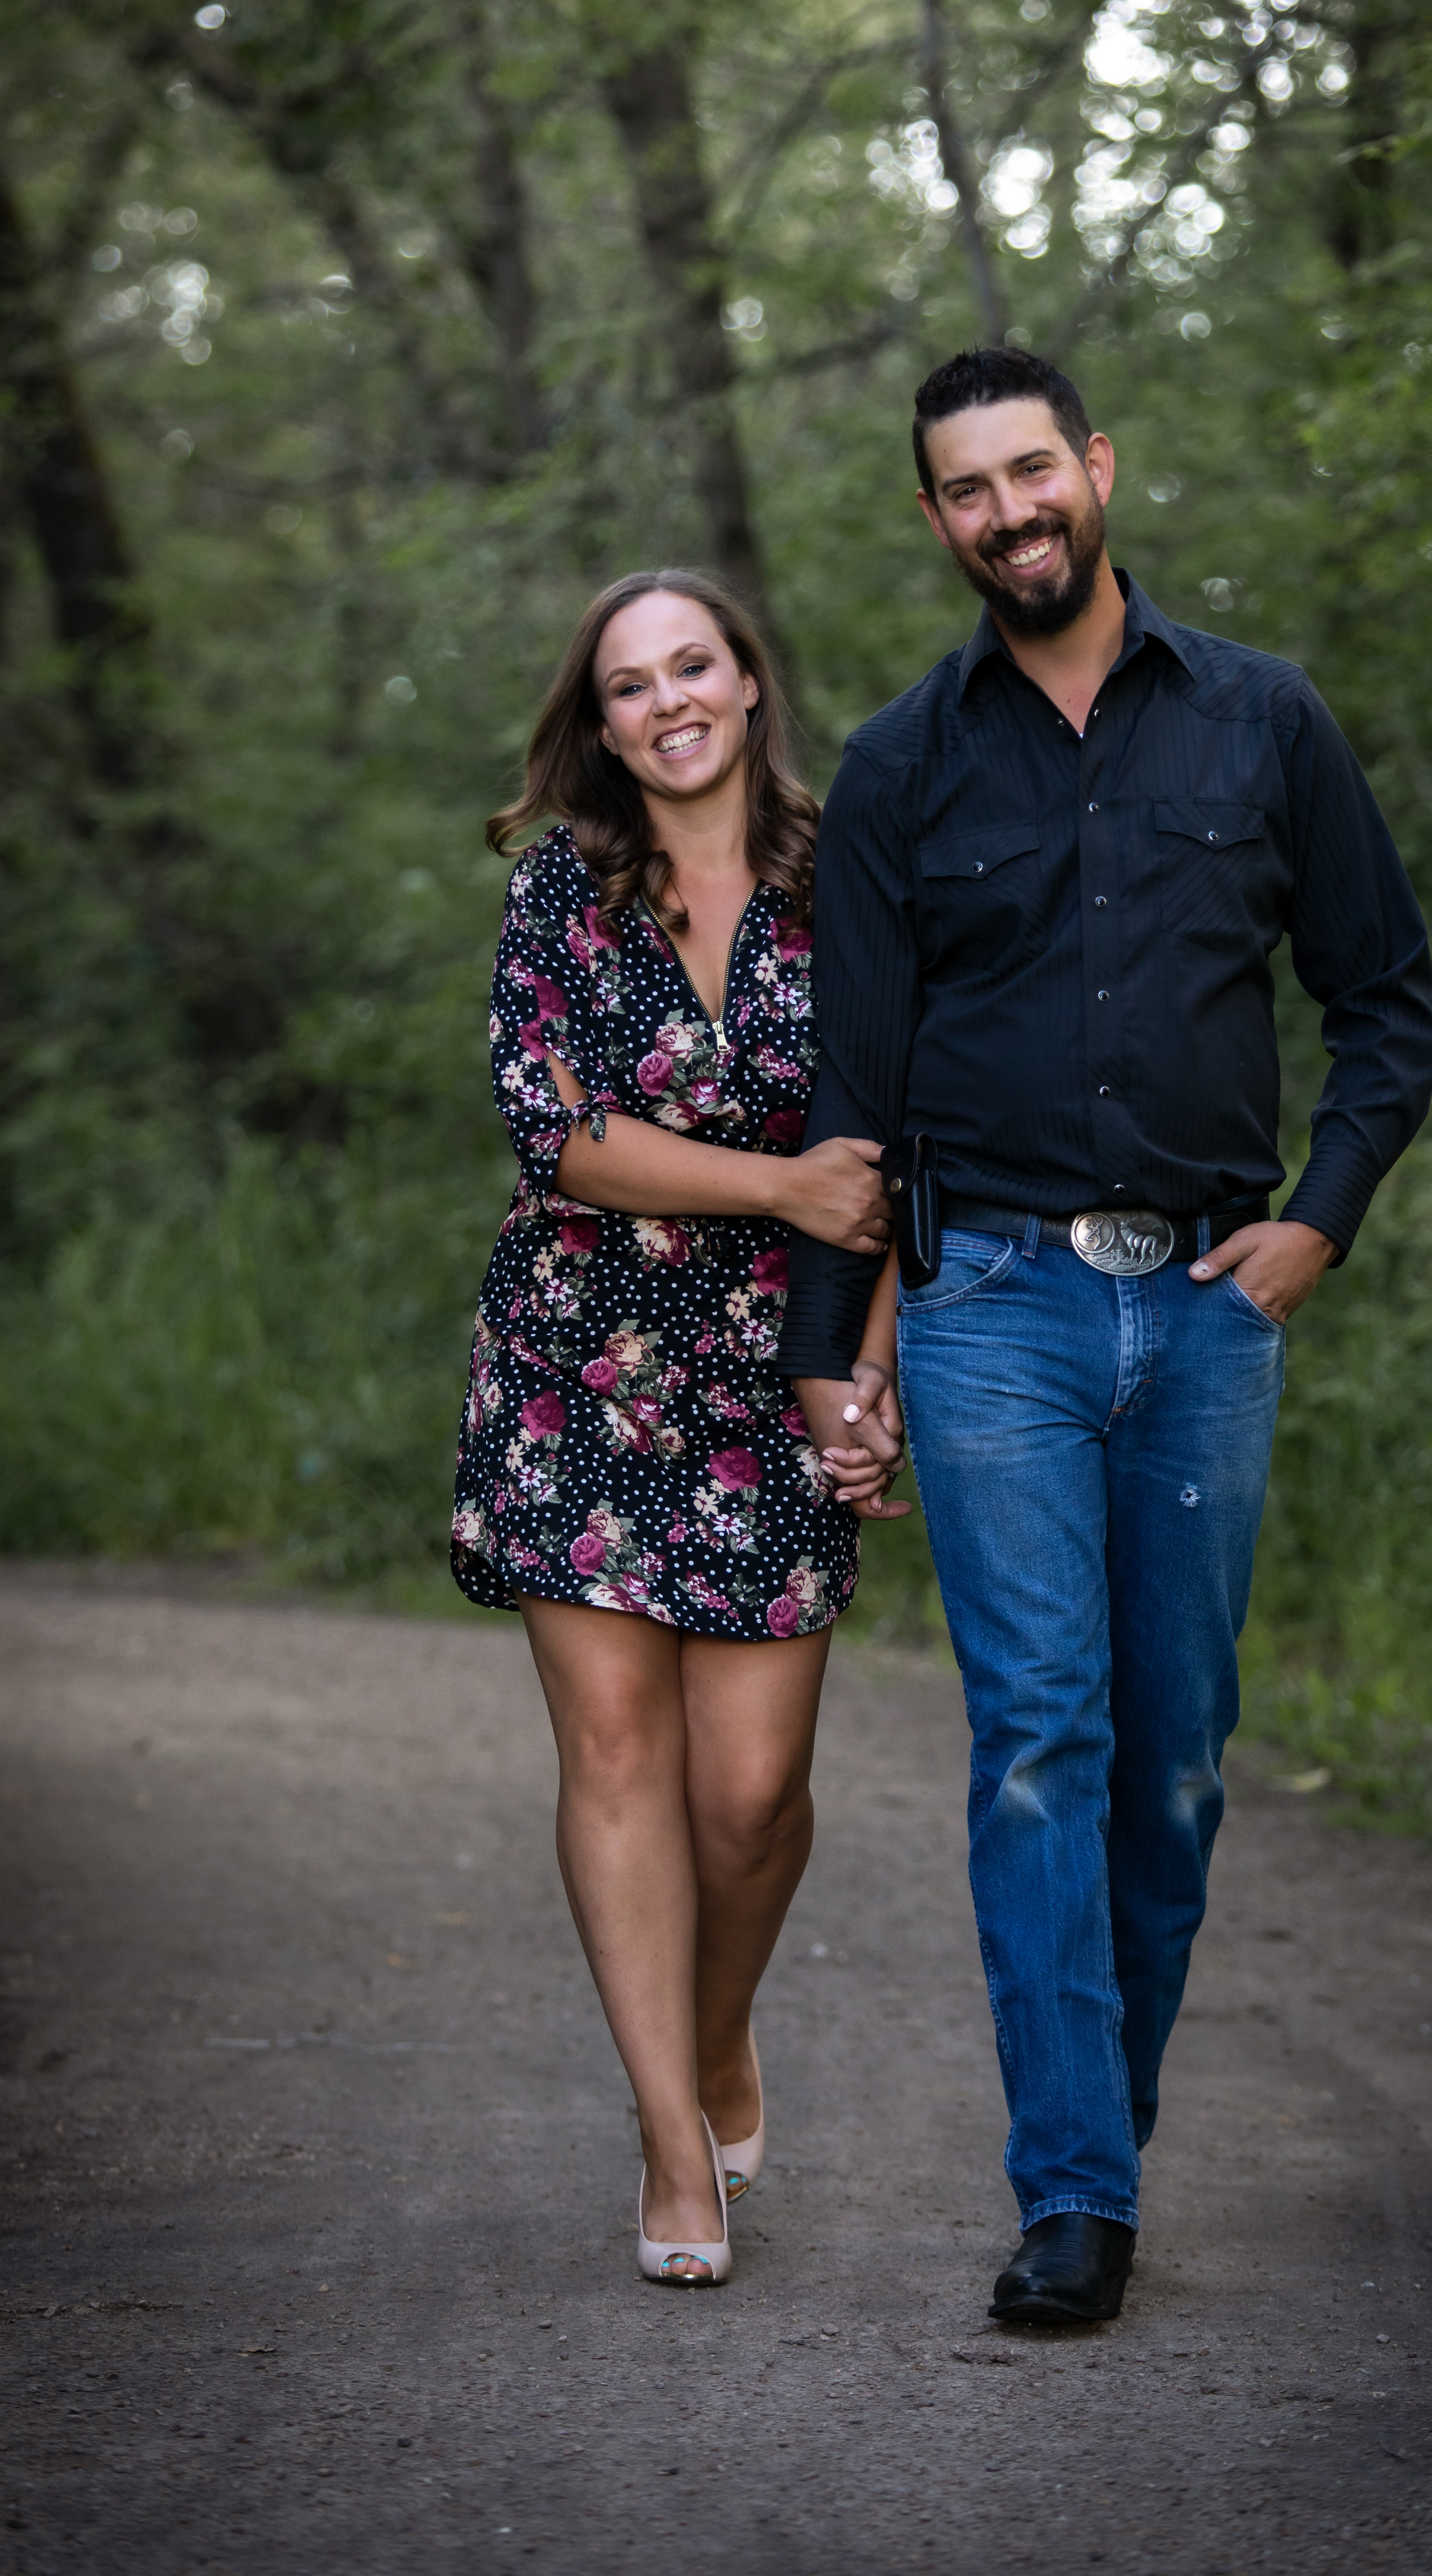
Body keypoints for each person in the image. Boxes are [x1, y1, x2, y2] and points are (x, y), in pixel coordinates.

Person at [779, 350, 1432, 2325]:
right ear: (936, 526)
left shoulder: (1265, 721)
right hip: (989, 1312)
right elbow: (854, 1083)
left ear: (1099, 471)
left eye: (1033, 471)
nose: (1010, 512)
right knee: (1042, 1748)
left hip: (1214, 1314)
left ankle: (1103, 2135)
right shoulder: (903, 767)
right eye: (967, 490)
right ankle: (1076, 2197)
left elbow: (1387, 1002)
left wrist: (1315, 1223)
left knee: (1177, 1765)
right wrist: (840, 1346)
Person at [452, 570, 906, 2289]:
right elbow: (559, 1132)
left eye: (692, 665)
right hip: (578, 1355)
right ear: (604, 719)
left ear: (748, 681)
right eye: (630, 684)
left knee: (752, 1791)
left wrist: (874, 1375)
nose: (668, 702)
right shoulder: (561, 894)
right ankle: (668, 2133)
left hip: (774, 1367)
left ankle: (722, 2032)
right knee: (622, 1762)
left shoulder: (855, 878)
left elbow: (902, 1148)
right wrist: (783, 1178)